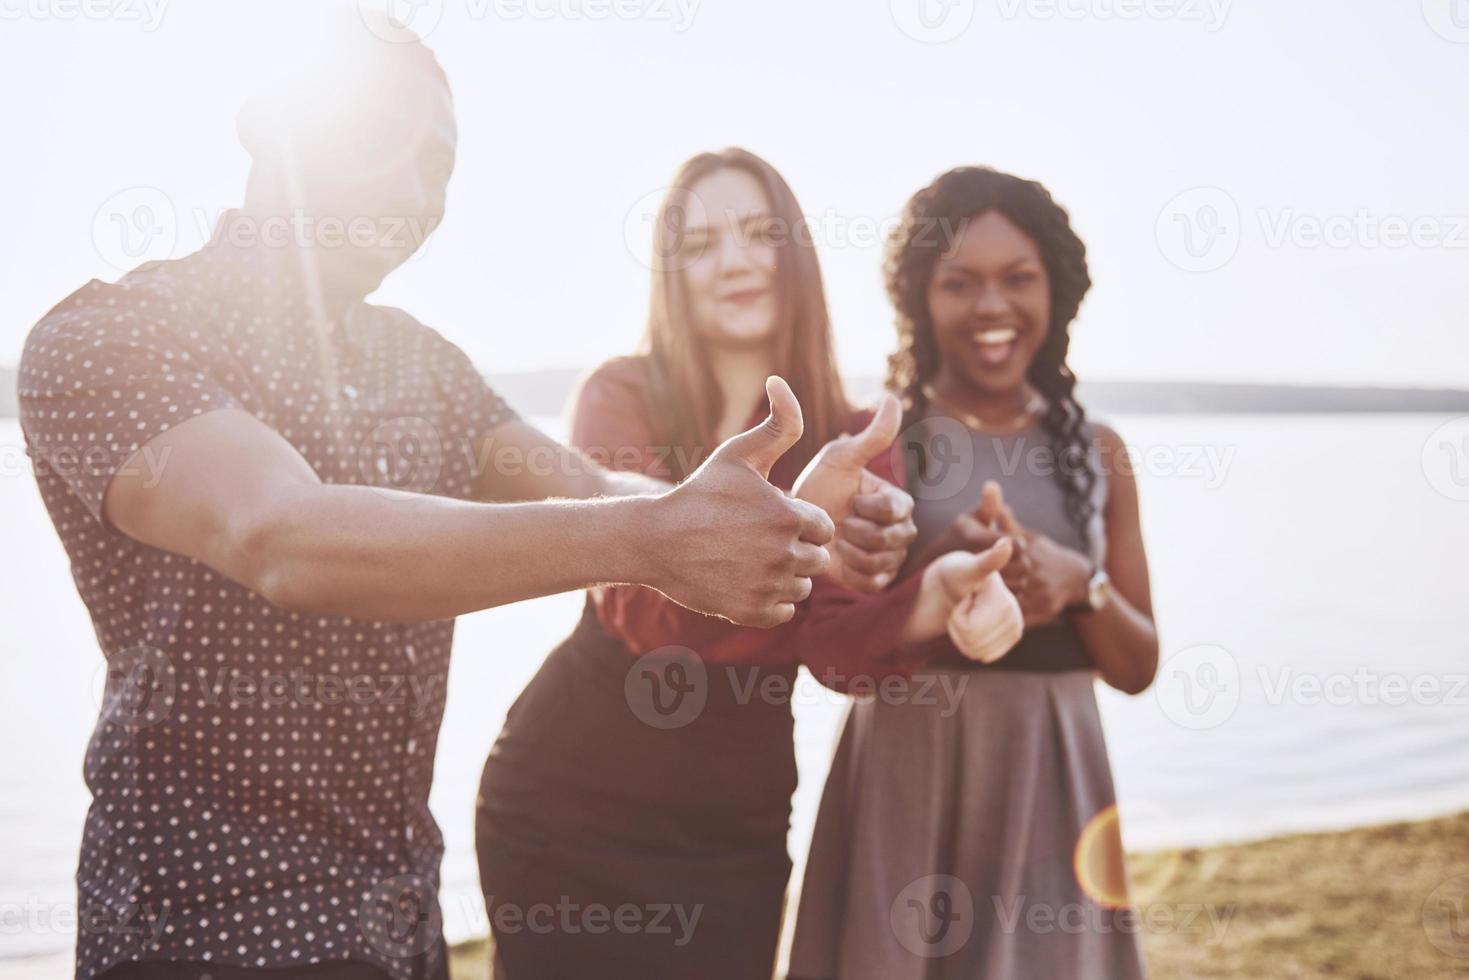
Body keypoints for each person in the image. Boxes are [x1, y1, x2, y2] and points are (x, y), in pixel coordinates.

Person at [15, 16, 918, 980]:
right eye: (381, 136)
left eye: (438, 165)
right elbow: (283, 536)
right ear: (266, 120)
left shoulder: (427, 366)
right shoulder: (105, 338)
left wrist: (753, 518)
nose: (411, 191)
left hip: (400, 927)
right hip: (205, 932)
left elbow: (588, 485)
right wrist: (652, 537)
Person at [474, 148, 1023, 980]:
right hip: (567, 791)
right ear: (671, 274)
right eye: (698, 243)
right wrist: (803, 527)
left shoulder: (855, 434)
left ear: (794, 252)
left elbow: (837, 655)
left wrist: (929, 598)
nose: (732, 259)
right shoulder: (619, 395)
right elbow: (639, 612)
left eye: (759, 232)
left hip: (734, 815)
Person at [788, 166, 1160, 980]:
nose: (991, 306)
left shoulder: (1100, 454)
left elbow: (1137, 667)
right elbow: (837, 651)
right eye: (959, 282)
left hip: (1051, 782)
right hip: (907, 772)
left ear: (1056, 292)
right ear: (919, 298)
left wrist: (1076, 586)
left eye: (1018, 278)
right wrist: (935, 561)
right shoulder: (875, 439)